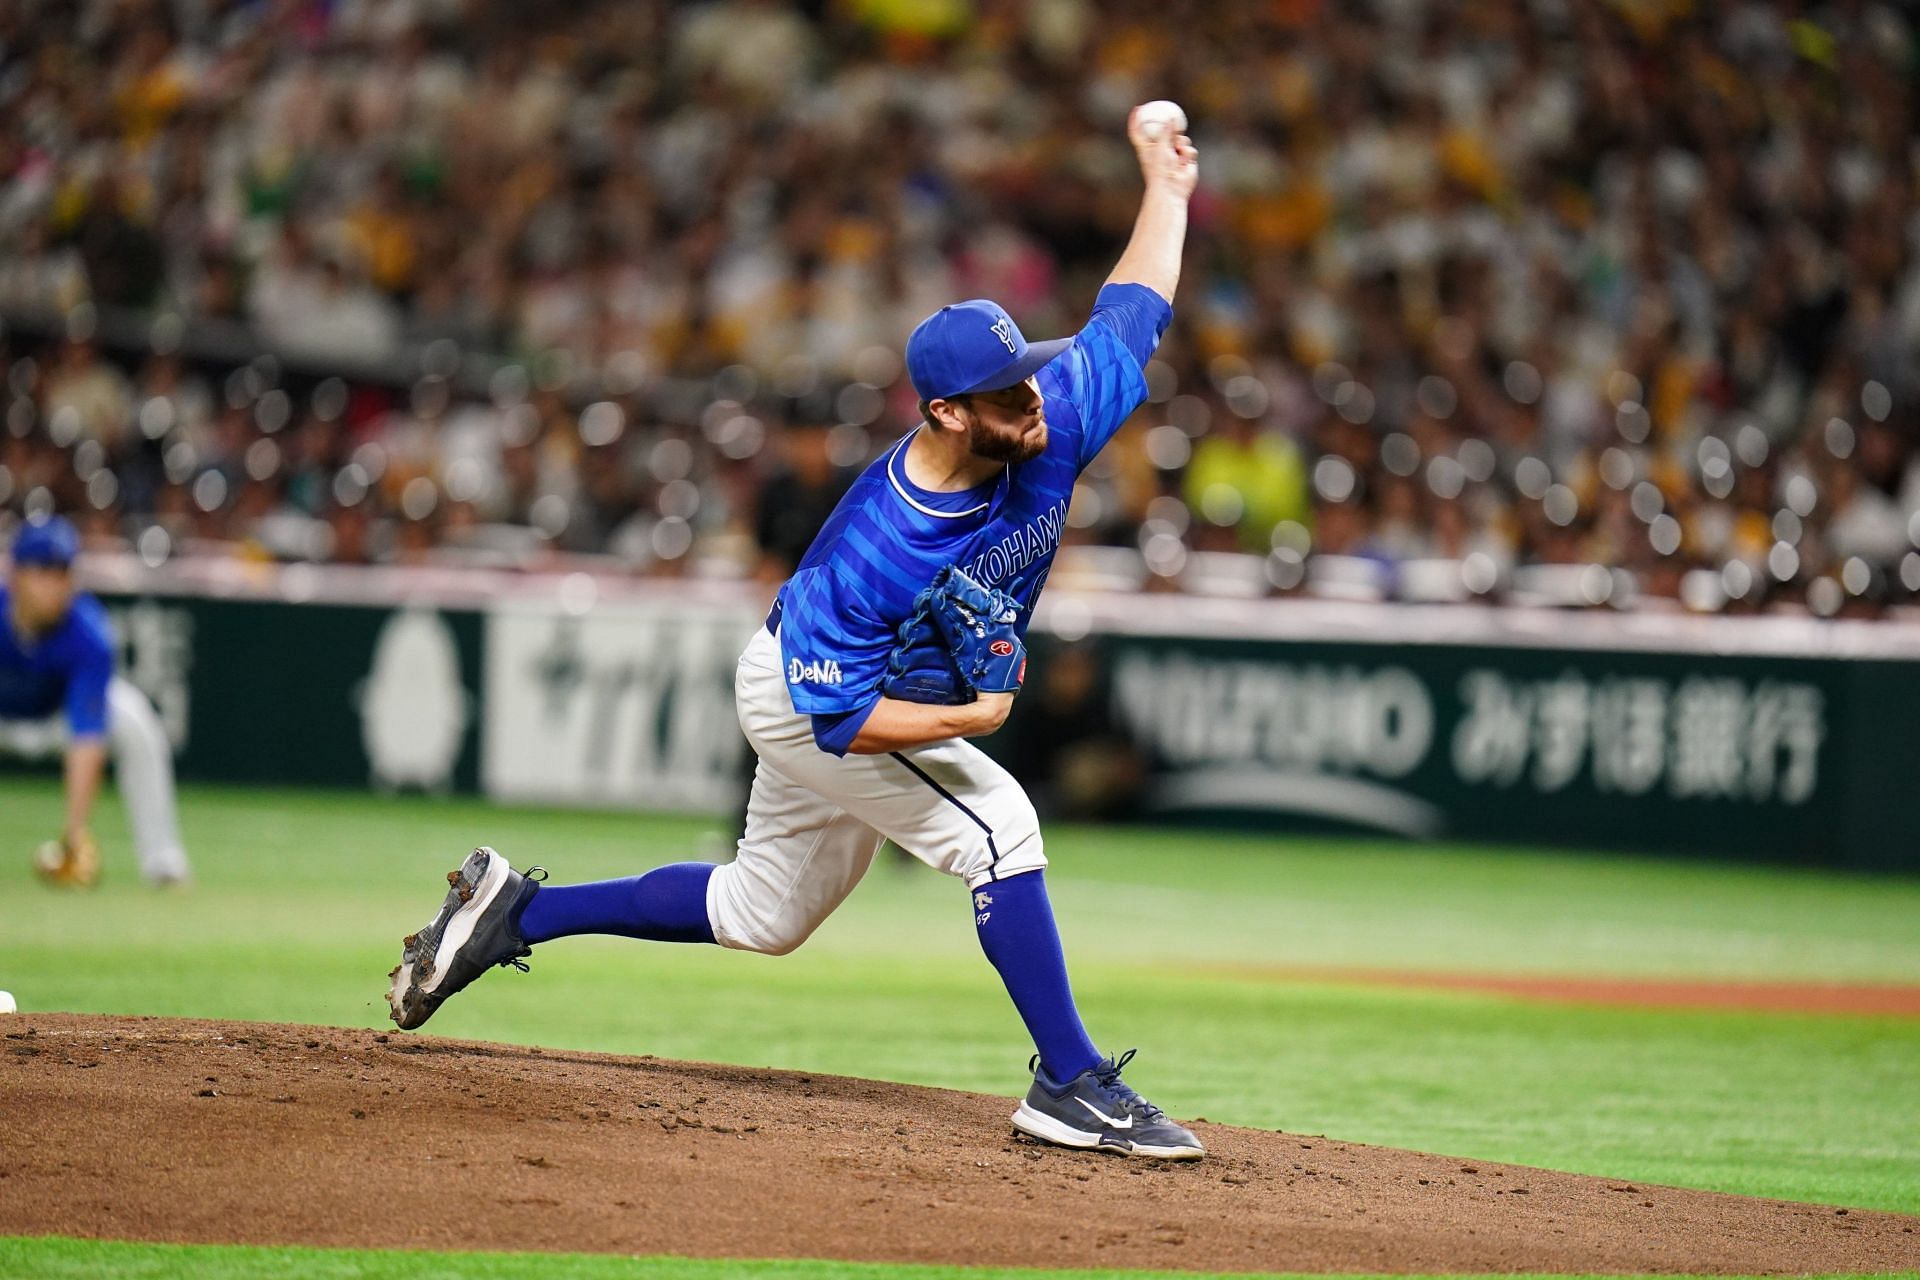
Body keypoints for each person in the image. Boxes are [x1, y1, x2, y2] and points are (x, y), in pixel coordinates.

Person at [387, 108, 1203, 1159]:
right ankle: (1070, 1079)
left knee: (765, 911)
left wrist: (1166, 192)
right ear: (948, 413)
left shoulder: (1049, 412)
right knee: (998, 826)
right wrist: (975, 713)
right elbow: (839, 719)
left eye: (1026, 376)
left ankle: (516, 911)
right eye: (1005, 395)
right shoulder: (881, 543)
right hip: (810, 693)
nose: (1033, 404)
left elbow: (1133, 308)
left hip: (854, 692)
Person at [1, 514, 189, 887]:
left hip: (55, 719)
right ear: (17, 573)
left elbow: (87, 735)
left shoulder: (89, 633)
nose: (57, 584)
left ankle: (163, 862)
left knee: (133, 720)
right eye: (44, 571)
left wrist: (73, 835)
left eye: (64, 572)